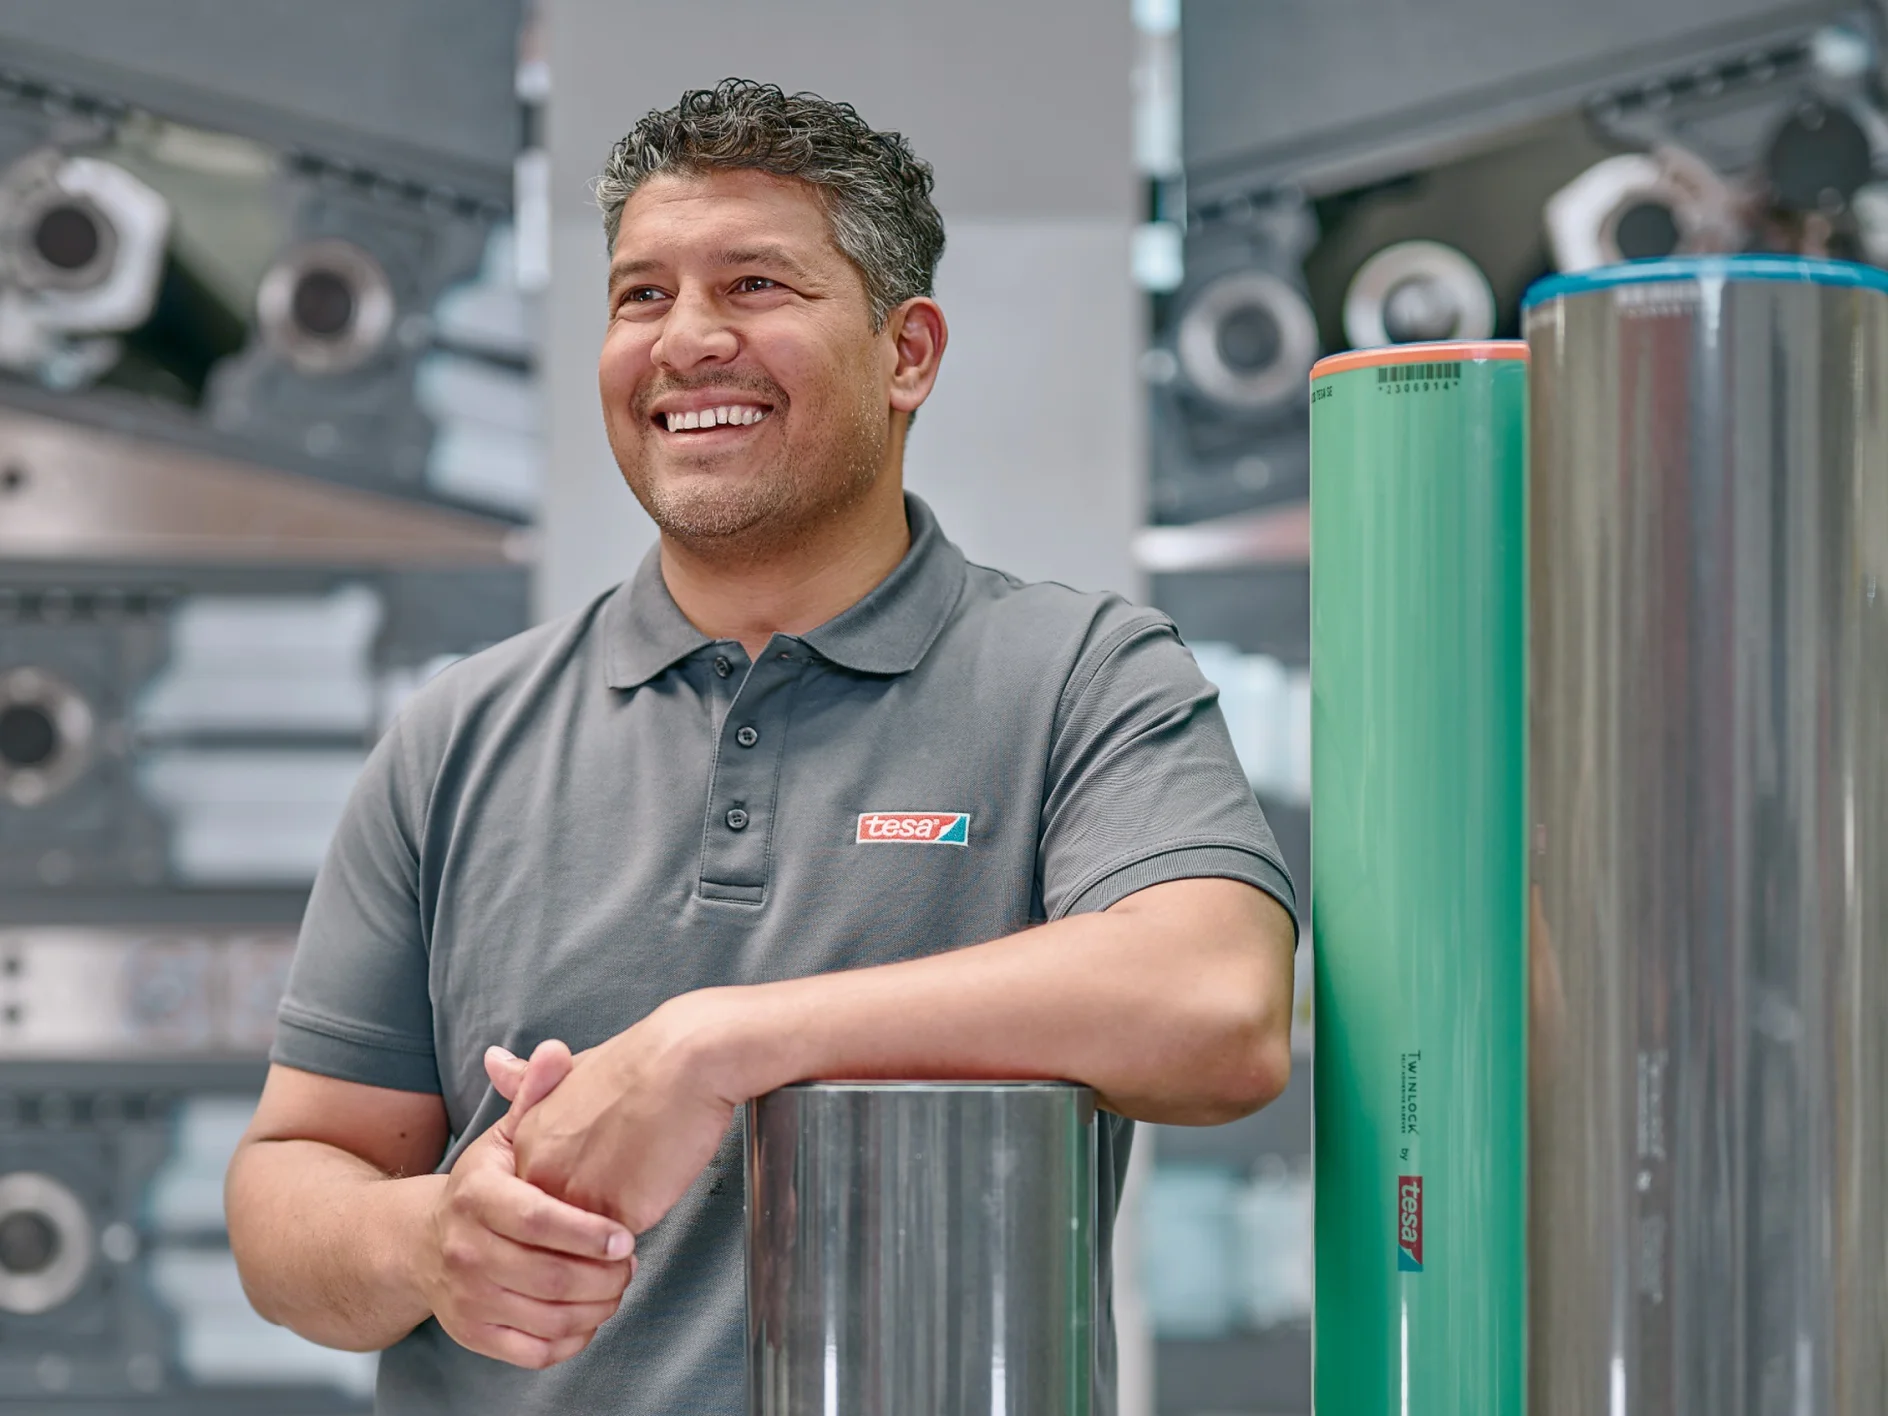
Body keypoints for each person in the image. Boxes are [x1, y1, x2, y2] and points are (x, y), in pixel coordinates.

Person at [225, 79, 1298, 1415]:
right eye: (640, 296)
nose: (687, 342)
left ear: (908, 354)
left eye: (754, 286)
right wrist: (433, 1241)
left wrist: (711, 1050)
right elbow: (293, 1184)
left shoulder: (1079, 677)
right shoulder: (460, 735)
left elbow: (1217, 1008)